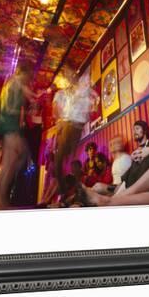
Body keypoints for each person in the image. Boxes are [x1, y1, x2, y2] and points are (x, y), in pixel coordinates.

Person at [0, 64, 40, 210]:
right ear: (23, 73)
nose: (30, 80)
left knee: (19, 157)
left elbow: (28, 95)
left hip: (9, 128)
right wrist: (26, 111)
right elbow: (10, 109)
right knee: (9, 165)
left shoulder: (13, 84)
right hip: (10, 128)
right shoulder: (15, 84)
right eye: (29, 76)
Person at [52, 69, 99, 199]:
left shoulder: (68, 92)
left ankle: (66, 192)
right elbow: (56, 108)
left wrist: (59, 121)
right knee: (71, 159)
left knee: (61, 159)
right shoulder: (68, 92)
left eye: (69, 75)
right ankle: (75, 190)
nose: (69, 78)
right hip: (76, 127)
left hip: (71, 125)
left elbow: (56, 109)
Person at [90, 120, 149, 196]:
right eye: (133, 129)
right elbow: (130, 172)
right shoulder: (135, 152)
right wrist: (119, 185)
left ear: (145, 131)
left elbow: (145, 173)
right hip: (123, 185)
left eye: (137, 128)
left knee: (99, 190)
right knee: (97, 187)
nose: (134, 131)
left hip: (135, 188)